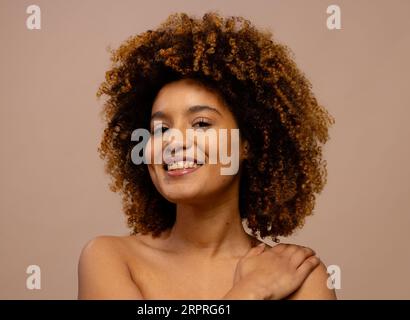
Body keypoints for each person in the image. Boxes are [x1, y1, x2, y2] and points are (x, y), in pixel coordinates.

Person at [78, 11, 336, 300]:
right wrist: (251, 291)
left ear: (247, 144)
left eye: (201, 123)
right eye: (160, 129)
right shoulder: (110, 259)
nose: (173, 142)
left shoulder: (300, 278)